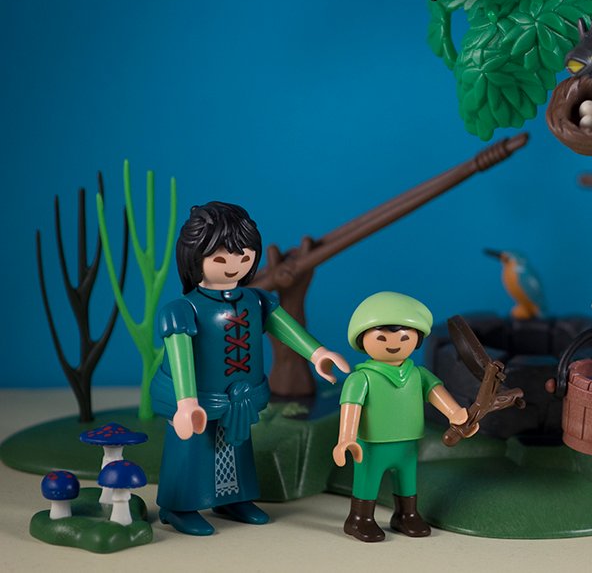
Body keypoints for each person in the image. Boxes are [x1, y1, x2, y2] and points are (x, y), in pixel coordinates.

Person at [153, 202, 350, 536]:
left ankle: (233, 499)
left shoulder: (255, 300)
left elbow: (283, 325)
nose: (234, 266)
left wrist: (317, 353)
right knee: (192, 450)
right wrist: (186, 402)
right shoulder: (183, 309)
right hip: (199, 397)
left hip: (240, 397)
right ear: (194, 258)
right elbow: (179, 354)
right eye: (221, 259)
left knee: (236, 447)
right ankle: (178, 506)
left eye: (244, 257)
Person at [333, 291, 473, 542]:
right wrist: (346, 438)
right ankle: (359, 519)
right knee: (368, 478)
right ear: (363, 340)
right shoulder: (361, 378)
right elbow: (351, 407)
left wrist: (456, 414)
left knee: (408, 478)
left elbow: (437, 394)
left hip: (408, 440)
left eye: (405, 337)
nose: (394, 343)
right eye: (381, 337)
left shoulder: (417, 374)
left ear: (416, 340)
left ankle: (406, 515)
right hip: (372, 444)